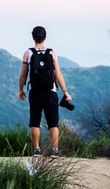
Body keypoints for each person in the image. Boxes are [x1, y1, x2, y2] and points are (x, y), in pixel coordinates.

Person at [18, 26, 72, 157]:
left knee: (34, 121)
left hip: (35, 92)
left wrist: (21, 90)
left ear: (33, 37)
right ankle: (55, 151)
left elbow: (23, 75)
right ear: (45, 37)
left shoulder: (28, 53)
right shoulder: (51, 53)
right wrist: (65, 91)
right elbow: (57, 74)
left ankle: (37, 150)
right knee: (53, 122)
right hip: (50, 92)